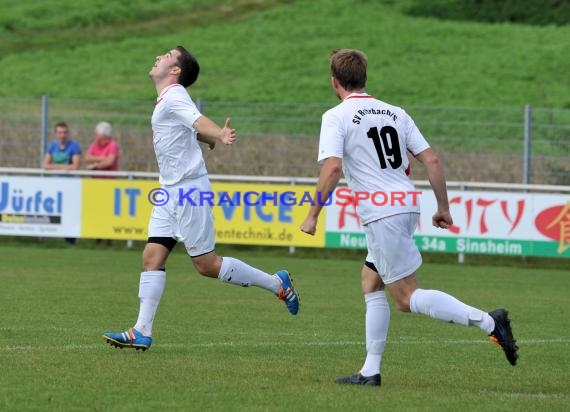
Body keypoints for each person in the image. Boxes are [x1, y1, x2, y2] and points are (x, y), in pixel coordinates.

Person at [300, 49, 518, 386]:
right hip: (404, 204)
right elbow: (431, 160)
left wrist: (313, 214)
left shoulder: (336, 116)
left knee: (405, 298)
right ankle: (370, 371)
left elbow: (332, 167)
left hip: (381, 211)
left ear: (334, 82)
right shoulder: (396, 113)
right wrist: (443, 208)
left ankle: (489, 322)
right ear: (366, 78)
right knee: (371, 281)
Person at [102, 46, 299, 351]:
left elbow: (196, 119)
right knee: (152, 257)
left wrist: (218, 133)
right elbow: (185, 128)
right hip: (169, 191)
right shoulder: (168, 99)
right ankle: (141, 330)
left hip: (188, 191)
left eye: (167, 54)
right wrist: (207, 137)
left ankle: (277, 283)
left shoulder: (176, 93)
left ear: (176, 70)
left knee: (206, 265)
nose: (159, 56)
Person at [44, 121, 82, 245]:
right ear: (55, 134)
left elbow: (75, 166)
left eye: (65, 132)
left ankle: (71, 239)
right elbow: (46, 165)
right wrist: (64, 167)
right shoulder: (52, 146)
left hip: (71, 184)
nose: (62, 135)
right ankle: (49, 237)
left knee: (70, 211)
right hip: (57, 184)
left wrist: (55, 166)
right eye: (60, 132)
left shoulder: (74, 146)